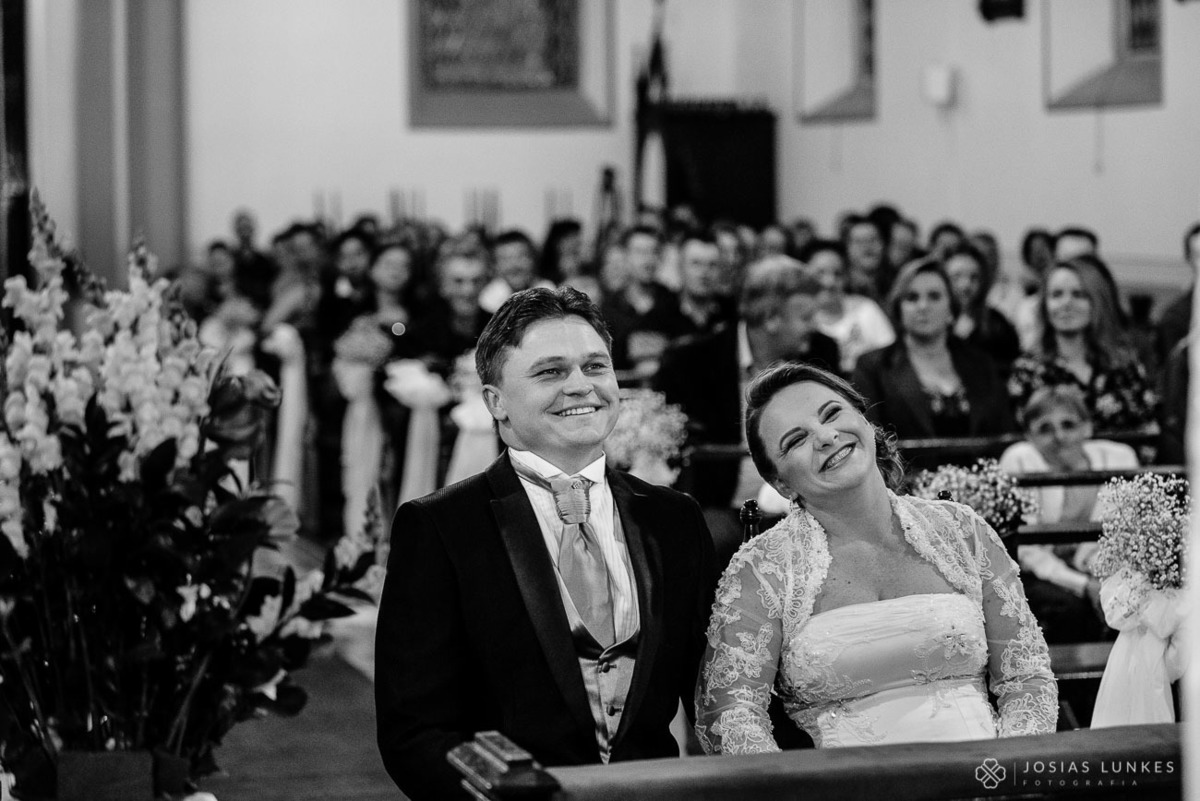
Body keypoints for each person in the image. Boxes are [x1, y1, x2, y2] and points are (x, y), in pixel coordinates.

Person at [376, 287, 716, 801]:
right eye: (551, 372)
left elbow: (713, 694)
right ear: (496, 403)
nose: (581, 386)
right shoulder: (441, 527)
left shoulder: (675, 519)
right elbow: (414, 732)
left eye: (595, 367)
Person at [695, 363, 1058, 752]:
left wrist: (1008, 773)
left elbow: (1027, 676)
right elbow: (731, 715)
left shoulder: (961, 530)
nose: (826, 436)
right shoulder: (760, 570)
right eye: (796, 440)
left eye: (832, 413)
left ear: (866, 421)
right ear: (781, 483)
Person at [654, 258, 839, 567]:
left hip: (809, 501)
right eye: (805, 316)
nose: (813, 326)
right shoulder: (689, 361)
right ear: (770, 318)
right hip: (723, 504)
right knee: (705, 541)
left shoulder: (821, 351)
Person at [999, 385, 1136, 643]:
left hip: (1100, 567)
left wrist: (1101, 580)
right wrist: (1083, 585)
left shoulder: (1120, 458)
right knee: (1070, 609)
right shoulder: (1018, 461)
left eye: (1068, 424)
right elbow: (1028, 553)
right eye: (1045, 429)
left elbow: (1122, 538)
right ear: (1029, 435)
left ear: (1087, 427)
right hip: (1040, 571)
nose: (1059, 436)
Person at [852, 258, 1015, 460]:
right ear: (898, 308)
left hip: (981, 482)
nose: (923, 306)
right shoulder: (873, 367)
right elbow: (870, 442)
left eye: (934, 296)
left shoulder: (981, 363)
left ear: (951, 308)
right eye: (912, 298)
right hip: (904, 485)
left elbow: (1004, 435)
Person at [1007, 255, 1157, 433]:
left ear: (1097, 302)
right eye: (1056, 295)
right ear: (1045, 306)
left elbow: (1148, 431)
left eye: (1078, 295)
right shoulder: (1028, 371)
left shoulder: (1125, 367)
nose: (1066, 304)